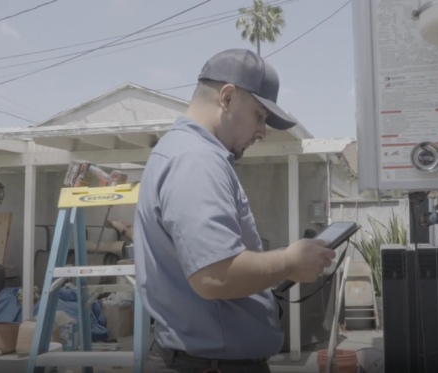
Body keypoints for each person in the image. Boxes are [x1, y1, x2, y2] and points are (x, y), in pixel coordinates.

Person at [133, 48, 336, 373]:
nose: (262, 131)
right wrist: (288, 261)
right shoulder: (196, 160)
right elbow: (215, 276)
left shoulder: (183, 153)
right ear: (227, 97)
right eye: (259, 115)